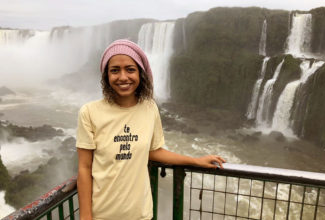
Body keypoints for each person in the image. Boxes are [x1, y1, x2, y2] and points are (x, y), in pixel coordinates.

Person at [76, 39, 226, 220]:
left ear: (140, 73)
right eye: (114, 70)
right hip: (102, 215)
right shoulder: (90, 112)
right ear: (106, 75)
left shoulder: (149, 108)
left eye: (130, 69)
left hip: (141, 214)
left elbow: (154, 151)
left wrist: (195, 161)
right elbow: (84, 168)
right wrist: (85, 217)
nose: (123, 77)